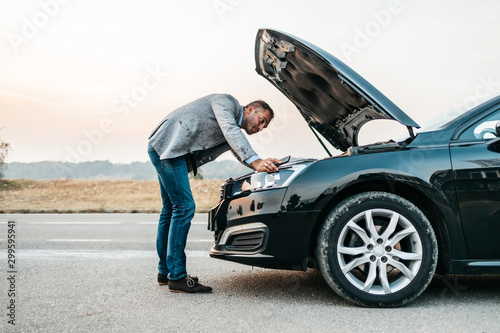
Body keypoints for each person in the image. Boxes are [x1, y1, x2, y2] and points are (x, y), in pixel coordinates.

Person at [147, 93, 281, 293]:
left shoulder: (233, 129)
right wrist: (256, 160)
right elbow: (229, 130)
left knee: (170, 210)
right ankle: (177, 277)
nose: (261, 128)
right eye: (262, 121)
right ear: (250, 110)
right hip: (169, 148)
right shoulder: (226, 102)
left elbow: (236, 147)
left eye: (265, 126)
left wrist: (260, 164)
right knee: (184, 207)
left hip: (166, 149)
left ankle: (165, 272)